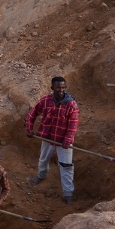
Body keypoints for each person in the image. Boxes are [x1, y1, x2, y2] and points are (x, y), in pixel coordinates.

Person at [26, 76, 80, 204]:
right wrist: (29, 128)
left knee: (66, 166)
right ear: (52, 88)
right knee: (43, 160)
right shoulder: (45, 101)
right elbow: (32, 113)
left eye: (63, 87)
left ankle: (67, 193)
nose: (61, 90)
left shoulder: (71, 105)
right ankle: (41, 175)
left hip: (63, 142)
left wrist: (68, 139)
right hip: (48, 138)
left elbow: (73, 124)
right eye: (58, 88)